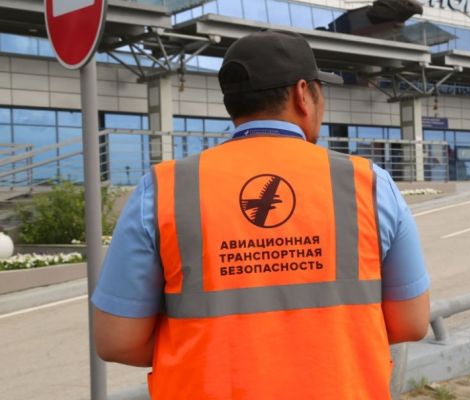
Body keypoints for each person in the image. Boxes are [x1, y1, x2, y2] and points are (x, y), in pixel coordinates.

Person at [92, 30, 430, 399]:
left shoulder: (165, 188)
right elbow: (411, 323)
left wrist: (213, 347)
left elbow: (117, 341)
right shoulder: (368, 183)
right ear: (303, 94)